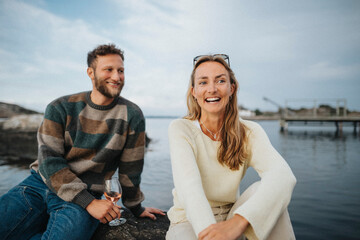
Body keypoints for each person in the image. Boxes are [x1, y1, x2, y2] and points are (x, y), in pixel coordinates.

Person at [0, 43, 164, 240]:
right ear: (91, 72)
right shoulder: (60, 107)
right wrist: (90, 203)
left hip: (85, 195)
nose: (116, 77)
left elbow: (131, 170)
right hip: (39, 185)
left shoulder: (132, 115)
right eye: (108, 70)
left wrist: (136, 208)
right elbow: (49, 161)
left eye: (121, 70)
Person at [165, 54, 296, 240]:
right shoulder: (181, 129)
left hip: (232, 217)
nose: (212, 89)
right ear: (194, 91)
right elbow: (190, 190)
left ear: (231, 88)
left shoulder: (250, 131)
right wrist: (213, 235)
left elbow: (283, 176)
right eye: (203, 82)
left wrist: (237, 223)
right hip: (188, 220)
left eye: (220, 80)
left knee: (269, 194)